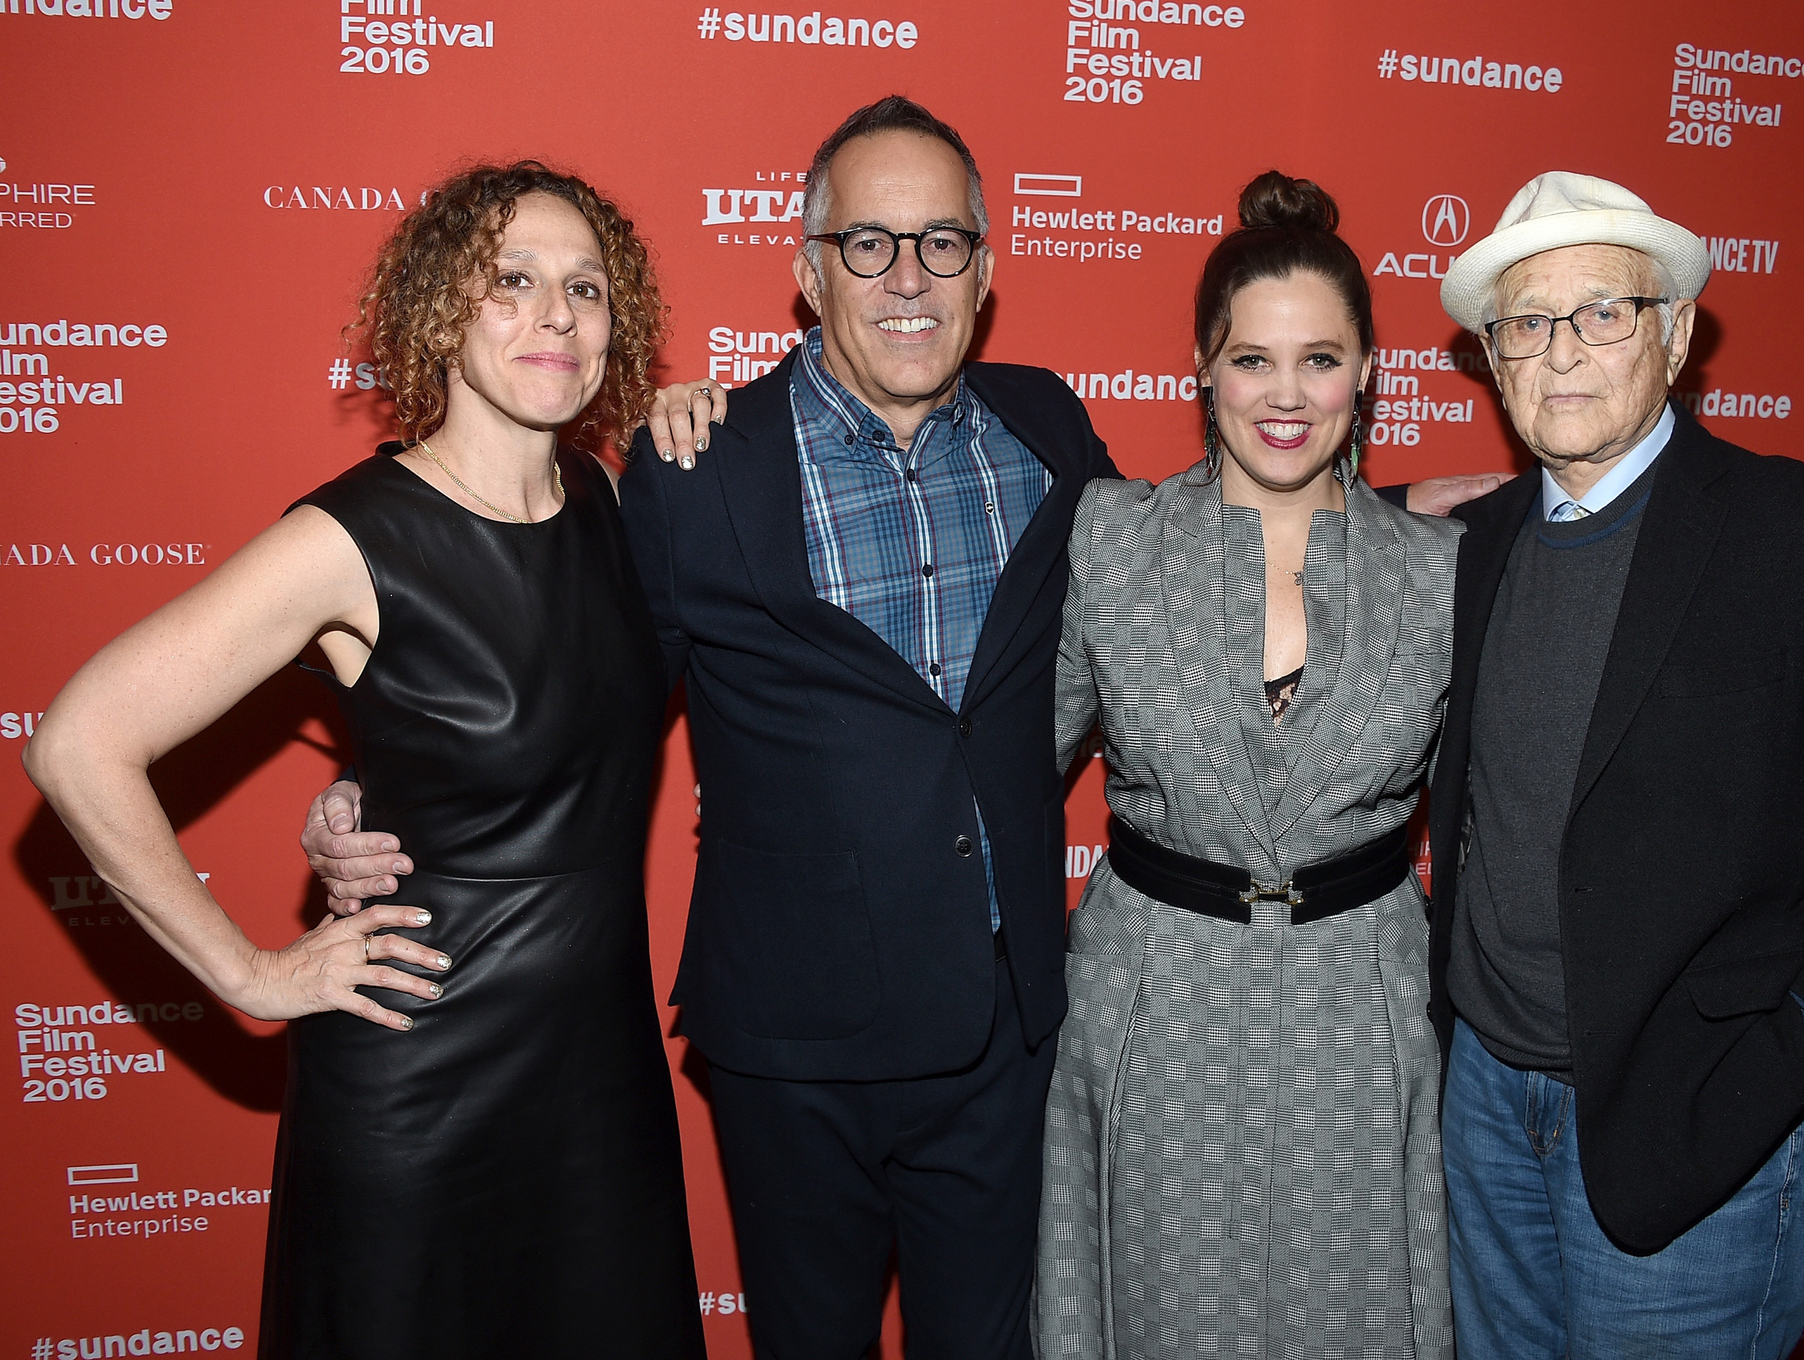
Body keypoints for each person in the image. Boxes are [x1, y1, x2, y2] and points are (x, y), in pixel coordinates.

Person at [300, 98, 1498, 1358]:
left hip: (1002, 1038)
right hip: (790, 1050)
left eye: (941, 243)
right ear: (807, 271)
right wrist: (385, 795)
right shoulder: (696, 466)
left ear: (984, 273)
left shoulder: (1049, 432)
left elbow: (1194, 550)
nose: (907, 277)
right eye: (867, 244)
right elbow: (576, 710)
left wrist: (1397, 526)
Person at [25, 162, 707, 1360]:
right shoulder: (351, 539)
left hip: (599, 1085)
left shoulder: (609, 501)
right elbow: (79, 741)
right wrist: (251, 972)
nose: (557, 313)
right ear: (441, 310)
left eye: (585, 287)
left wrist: (360, 794)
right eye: (513, 281)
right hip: (421, 1084)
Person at [1425, 171, 1804, 1358]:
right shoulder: (1463, 549)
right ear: (1490, 358)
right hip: (1480, 1104)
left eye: (1601, 313)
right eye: (1524, 324)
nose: (1560, 353)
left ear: (1673, 335)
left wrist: (1790, 1060)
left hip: (1694, 1114)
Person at [1036, 172, 1457, 1360]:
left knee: (1355, 1313)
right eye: (1251, 360)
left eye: (1318, 359)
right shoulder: (1108, 539)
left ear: (1368, 369)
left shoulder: (1439, 569)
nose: (1285, 396)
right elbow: (1008, 764)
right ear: (1201, 367)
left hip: (1357, 1006)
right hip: (1153, 1001)